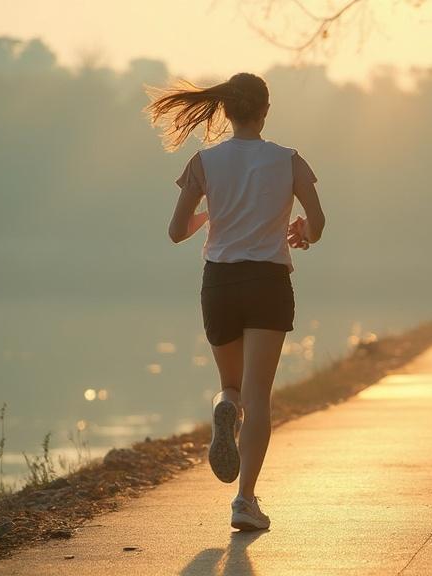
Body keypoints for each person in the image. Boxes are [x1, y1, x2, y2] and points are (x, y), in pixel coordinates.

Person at [146, 72, 325, 531]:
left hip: (220, 283)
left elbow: (174, 231)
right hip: (267, 281)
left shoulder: (204, 162)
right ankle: (244, 500)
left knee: (233, 387)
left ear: (225, 110)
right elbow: (319, 222)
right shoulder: (288, 160)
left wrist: (214, 212)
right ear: (265, 110)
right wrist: (302, 231)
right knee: (259, 397)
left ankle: (223, 408)